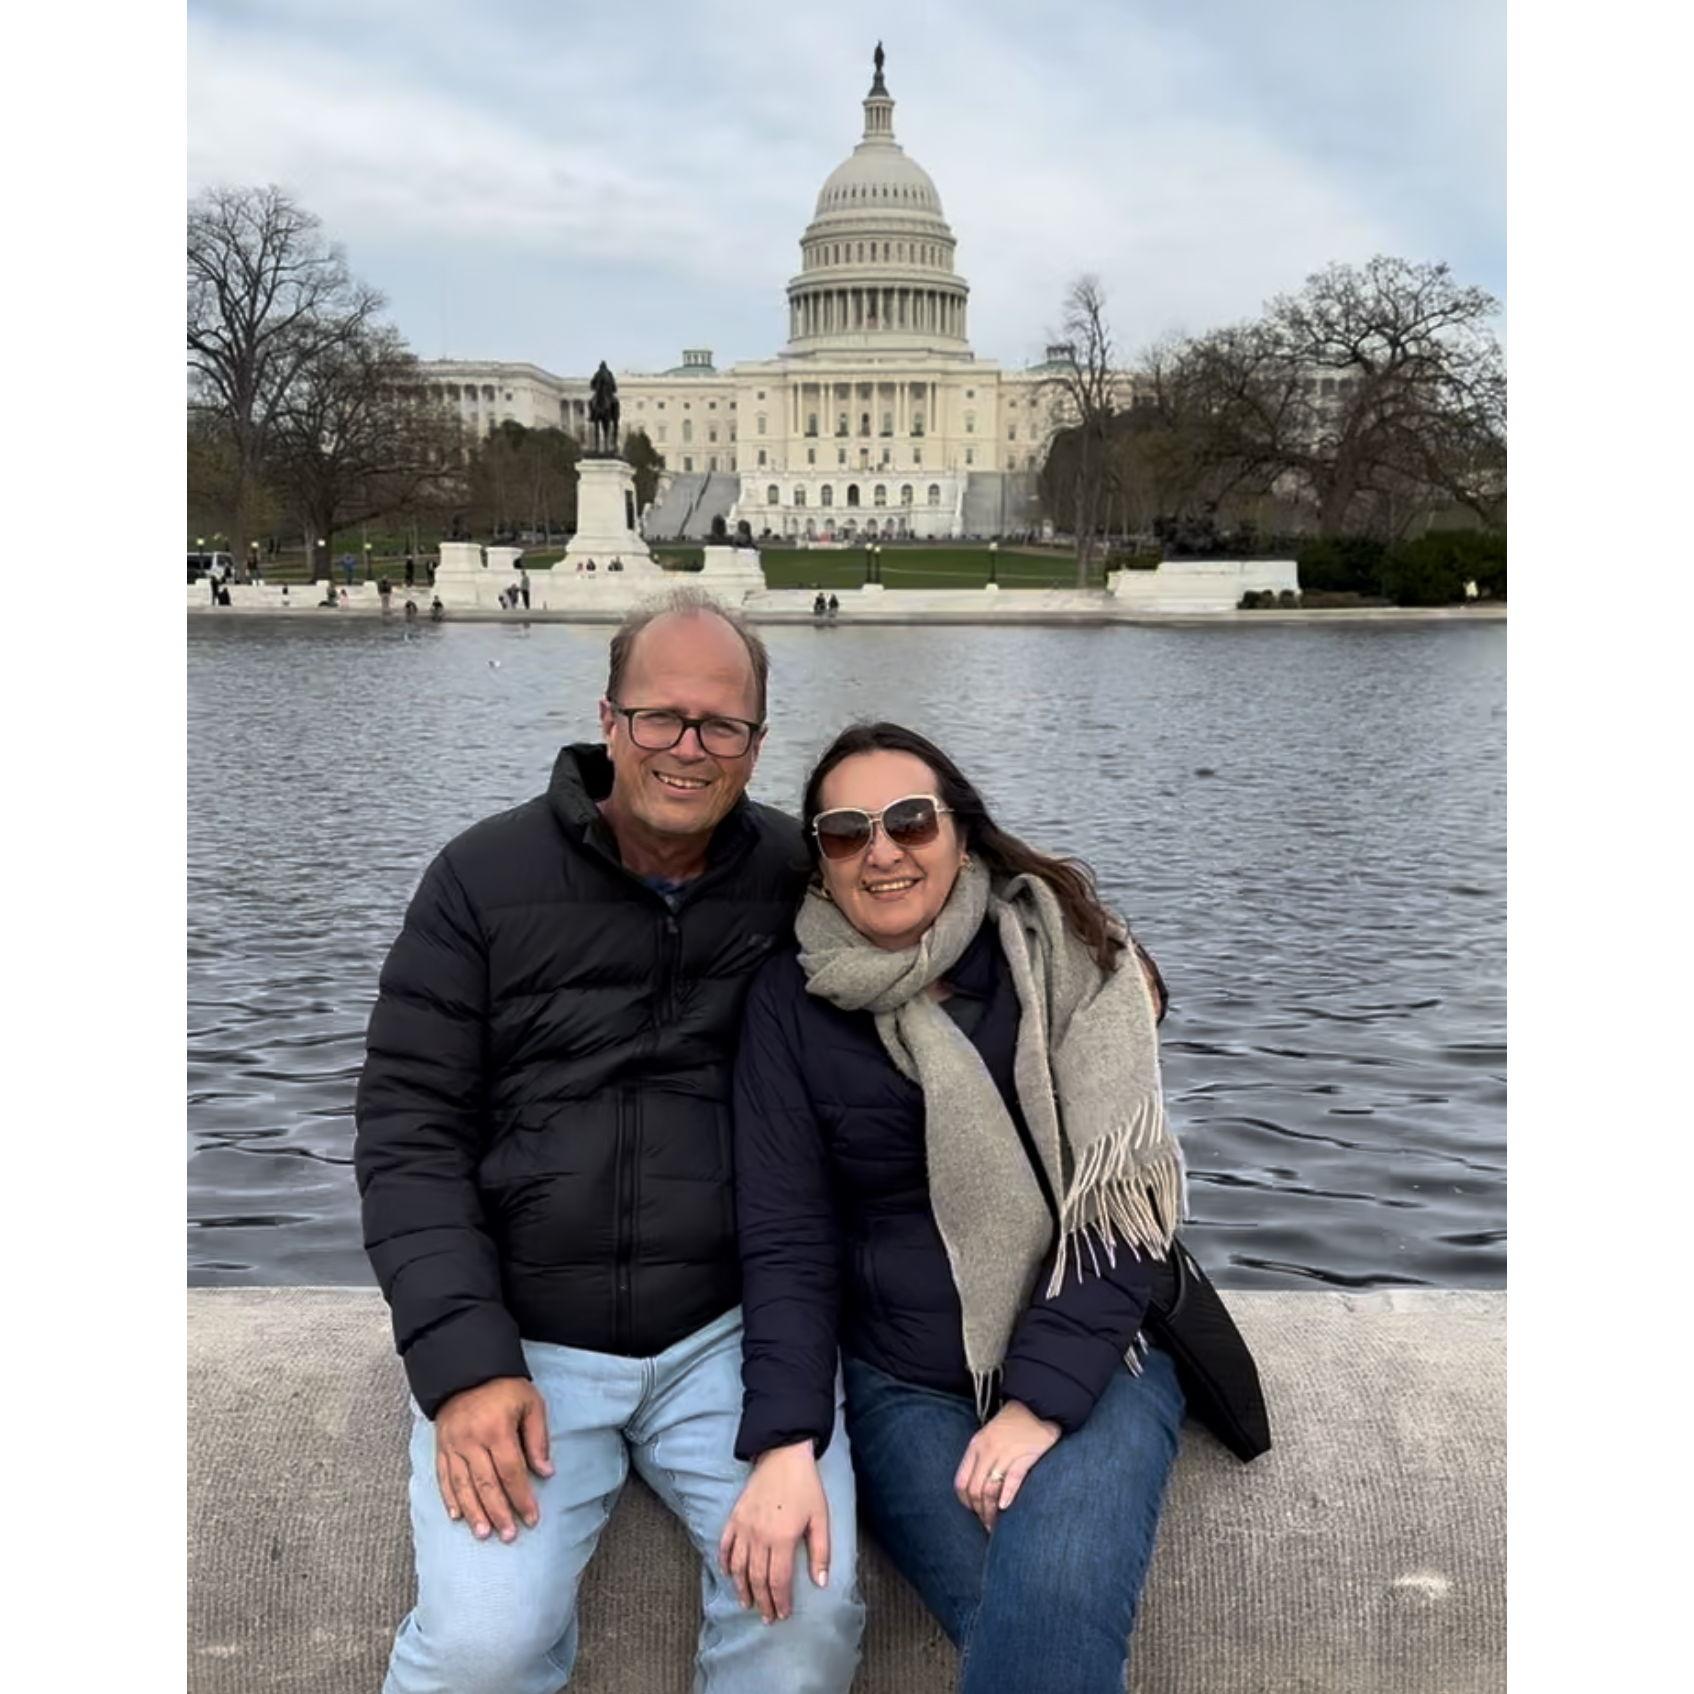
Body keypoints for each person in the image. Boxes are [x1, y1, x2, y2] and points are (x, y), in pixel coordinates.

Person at [354, 589, 864, 1694]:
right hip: (526, 1332)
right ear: (607, 718)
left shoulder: (796, 880)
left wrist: (1079, 941)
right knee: (481, 1648)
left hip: (729, 1335)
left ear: (755, 743)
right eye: (659, 716)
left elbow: (932, 925)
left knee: (804, 1620)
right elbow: (408, 1132)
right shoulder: (479, 879)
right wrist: (464, 1367)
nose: (687, 747)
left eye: (718, 724)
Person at [724, 721, 1186, 1694]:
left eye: (908, 820)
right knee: (1023, 1627)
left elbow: (1119, 1205)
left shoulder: (1070, 956)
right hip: (902, 1379)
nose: (881, 849)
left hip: (1101, 1354)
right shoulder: (790, 1001)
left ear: (961, 833)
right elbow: (784, 1238)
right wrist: (783, 1439)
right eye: (846, 831)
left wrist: (1036, 1399)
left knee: (1052, 1602)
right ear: (820, 861)